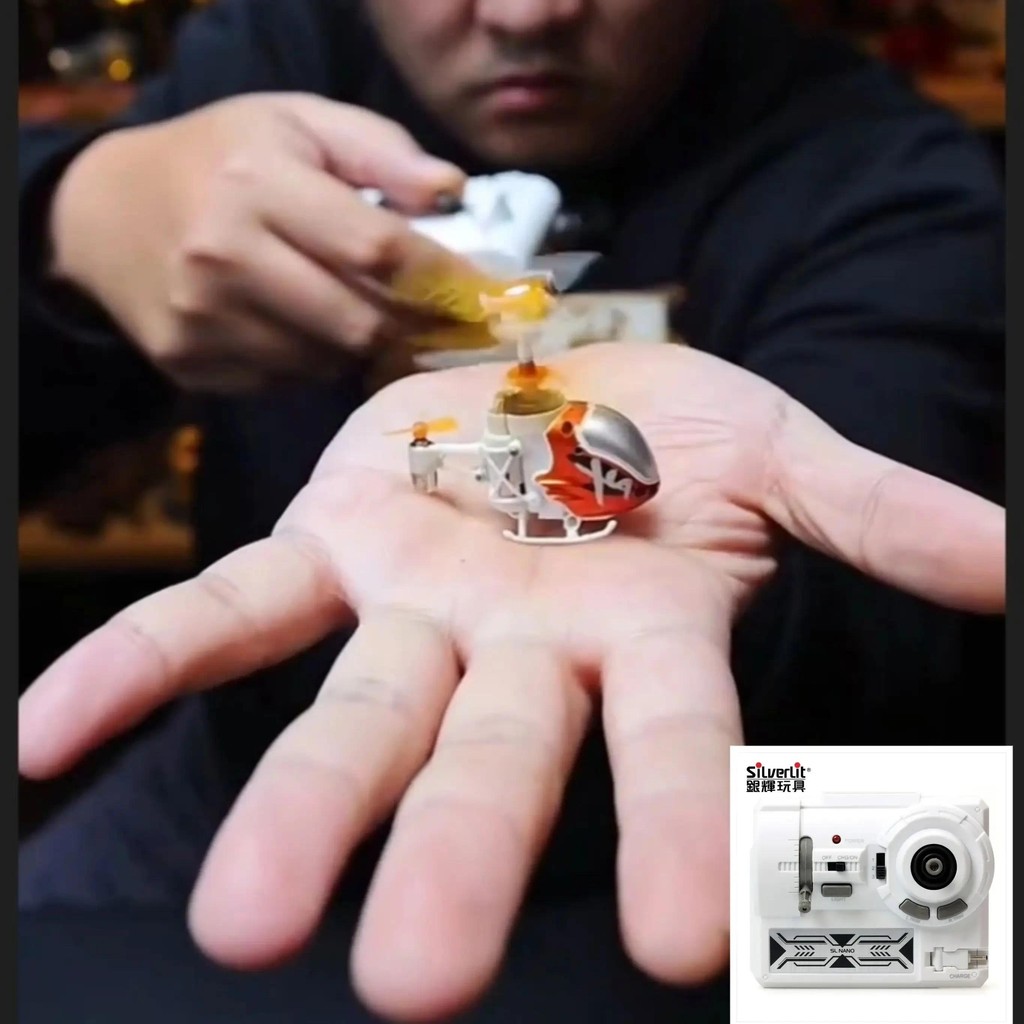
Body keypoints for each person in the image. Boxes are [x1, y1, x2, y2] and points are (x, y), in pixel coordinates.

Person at [18, 1, 1005, 1021]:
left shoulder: (885, 171)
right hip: (255, 758)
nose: (527, 13)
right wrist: (66, 222)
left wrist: (750, 555)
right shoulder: (268, 59)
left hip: (784, 787)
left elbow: (894, 636)